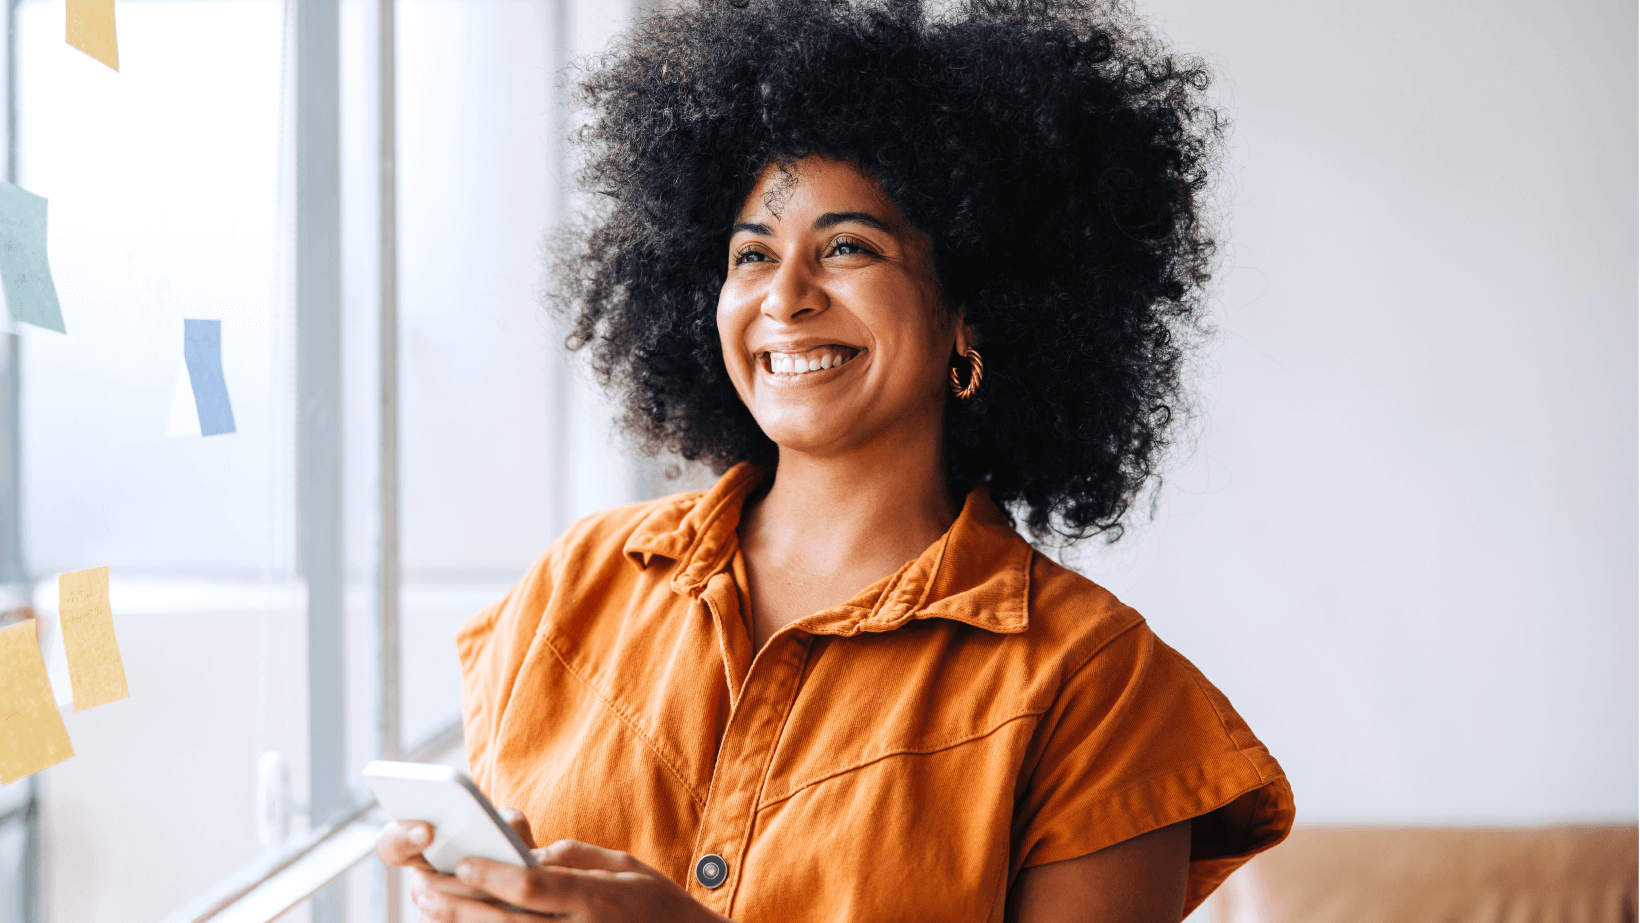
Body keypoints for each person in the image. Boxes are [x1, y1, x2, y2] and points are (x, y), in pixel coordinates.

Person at [376, 1, 1294, 919]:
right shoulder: (578, 585)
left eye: (848, 247)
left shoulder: (1097, 688)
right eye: (751, 254)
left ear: (974, 307)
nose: (785, 297)